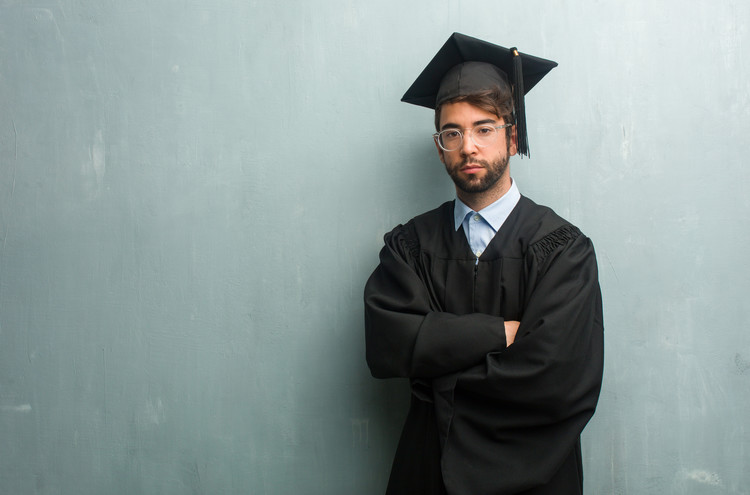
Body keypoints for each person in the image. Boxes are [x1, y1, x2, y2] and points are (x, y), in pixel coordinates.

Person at [364, 33, 604, 495]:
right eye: (452, 133)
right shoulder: (410, 245)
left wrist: (439, 372)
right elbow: (388, 344)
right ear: (439, 147)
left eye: (484, 128)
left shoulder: (563, 249)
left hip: (538, 474)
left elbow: (559, 377)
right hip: (428, 473)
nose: (468, 146)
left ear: (512, 138)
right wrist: (503, 334)